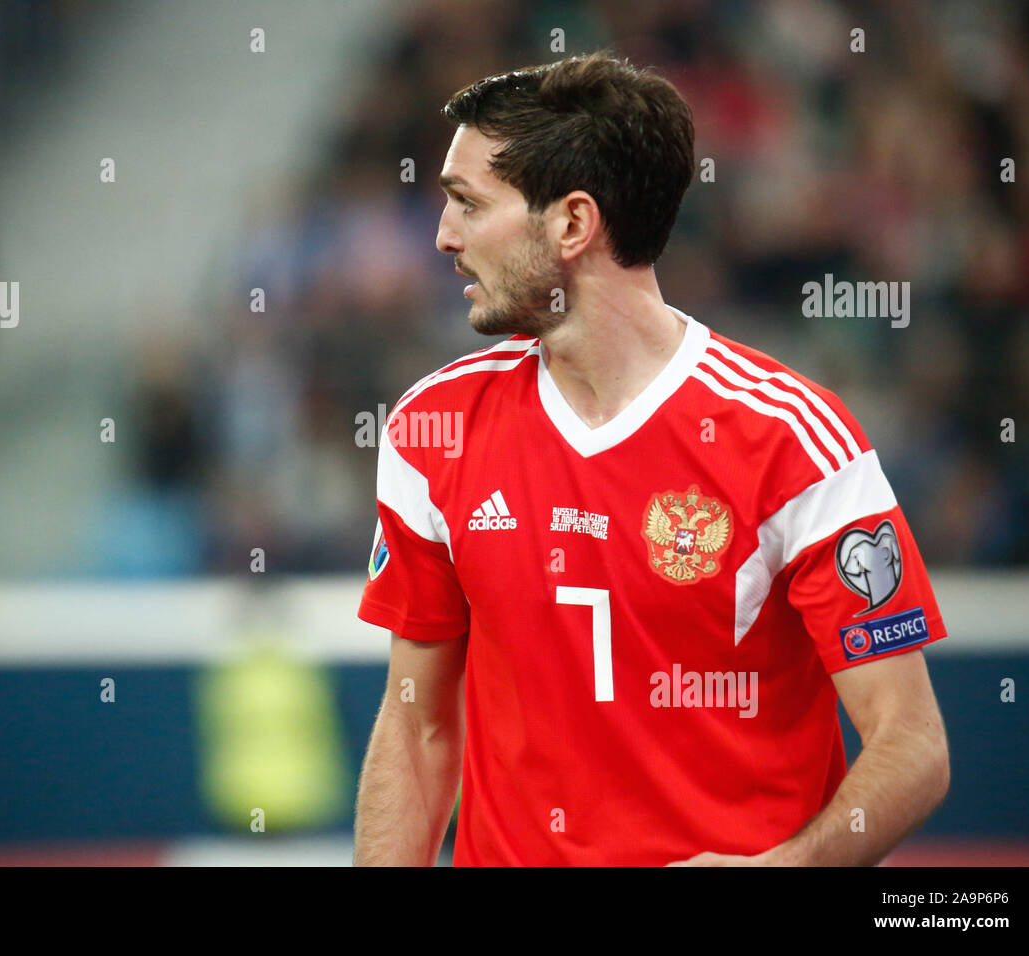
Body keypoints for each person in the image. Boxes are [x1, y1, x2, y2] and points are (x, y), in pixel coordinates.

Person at [352, 51, 949, 866]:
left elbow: (910, 743)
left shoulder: (792, 440)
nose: (443, 236)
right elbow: (416, 722)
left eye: (466, 203)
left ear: (571, 224)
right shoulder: (433, 427)